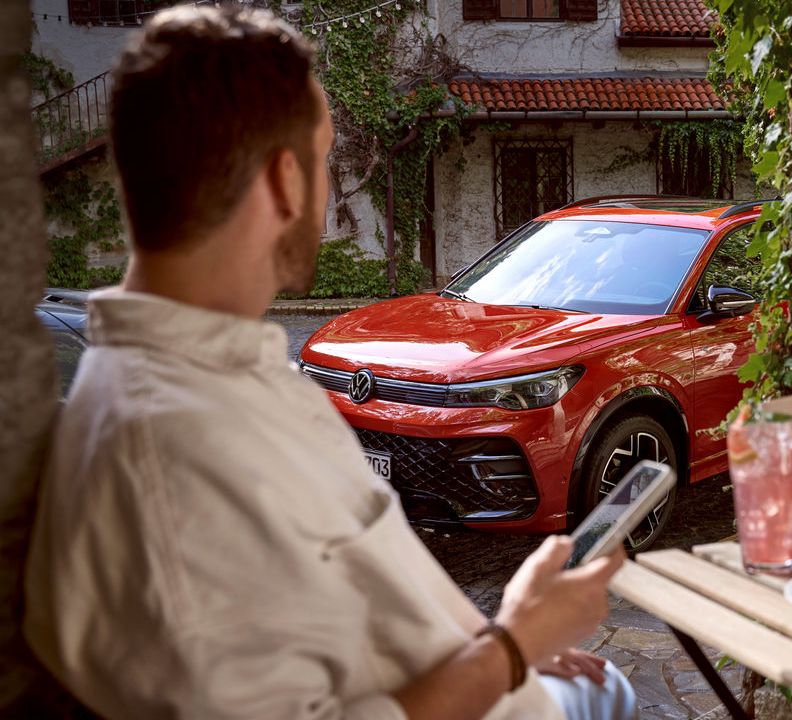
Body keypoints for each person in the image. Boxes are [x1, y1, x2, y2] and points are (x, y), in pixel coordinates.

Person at [22, 7, 636, 719]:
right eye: (324, 161)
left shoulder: (213, 377)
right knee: (610, 697)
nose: (325, 188)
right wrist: (514, 644)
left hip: (488, 668)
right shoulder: (174, 457)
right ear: (284, 180)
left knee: (603, 686)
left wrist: (499, 636)